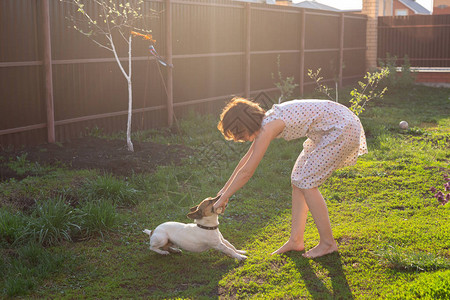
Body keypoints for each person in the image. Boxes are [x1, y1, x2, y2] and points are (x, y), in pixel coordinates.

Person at [213, 97, 368, 258]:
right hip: (329, 129)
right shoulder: (267, 122)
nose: (238, 139)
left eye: (238, 133)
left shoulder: (269, 127)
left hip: (341, 128)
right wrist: (223, 192)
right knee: (298, 180)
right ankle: (296, 240)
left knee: (307, 183)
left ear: (246, 123)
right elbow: (245, 160)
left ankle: (328, 243)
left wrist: (225, 197)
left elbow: (247, 172)